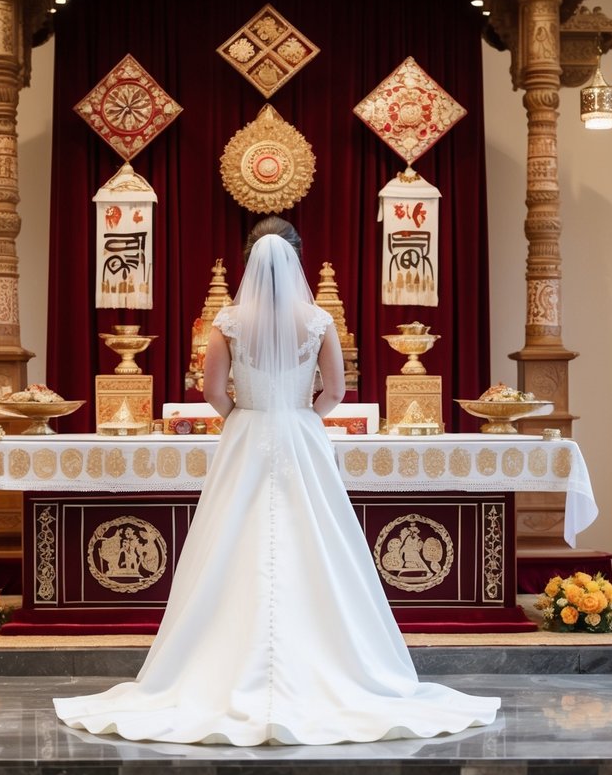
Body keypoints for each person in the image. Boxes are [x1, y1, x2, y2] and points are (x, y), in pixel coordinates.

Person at [53, 218, 499, 745]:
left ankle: (215, 668)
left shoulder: (228, 321)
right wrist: (301, 413)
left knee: (230, 543)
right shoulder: (317, 320)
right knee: (318, 542)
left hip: (246, 433)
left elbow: (213, 390)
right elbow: (336, 390)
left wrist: (244, 415)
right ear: (298, 259)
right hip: (302, 435)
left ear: (247, 263)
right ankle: (334, 665)